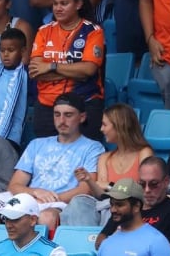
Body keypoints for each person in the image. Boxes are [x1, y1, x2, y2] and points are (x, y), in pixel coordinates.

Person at [8, 94, 107, 230]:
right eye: (57, 114)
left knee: (46, 217)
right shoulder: (36, 144)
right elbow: (14, 186)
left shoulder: (93, 148)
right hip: (30, 201)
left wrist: (50, 200)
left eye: (68, 115)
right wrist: (35, 192)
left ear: (82, 117)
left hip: (62, 205)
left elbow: (86, 190)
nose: (61, 120)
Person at [29, 0, 107, 140]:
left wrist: (51, 66)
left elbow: (88, 70)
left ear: (78, 4)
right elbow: (36, 71)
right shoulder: (43, 31)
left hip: (84, 105)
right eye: (55, 3)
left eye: (64, 3)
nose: (58, 8)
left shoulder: (93, 31)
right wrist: (74, 69)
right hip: (46, 108)